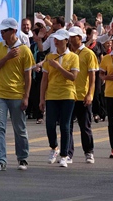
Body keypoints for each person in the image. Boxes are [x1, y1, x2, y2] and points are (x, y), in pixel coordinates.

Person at [0, 18, 34, 172]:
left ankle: (23, 158)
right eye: (1, 30)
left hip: (16, 94)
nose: (2, 33)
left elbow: (28, 76)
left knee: (19, 128)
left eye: (5, 30)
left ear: (14, 31)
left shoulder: (25, 50)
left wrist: (26, 96)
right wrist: (7, 57)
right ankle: (0, 160)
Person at [40, 29, 79, 168]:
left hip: (67, 94)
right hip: (52, 95)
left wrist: (58, 67)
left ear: (66, 41)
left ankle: (64, 155)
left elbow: (73, 77)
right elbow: (44, 79)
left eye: (59, 39)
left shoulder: (73, 57)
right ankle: (54, 147)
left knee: (65, 125)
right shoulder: (50, 57)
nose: (56, 41)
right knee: (50, 124)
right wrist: (42, 98)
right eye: (55, 39)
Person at [66, 26, 98, 164]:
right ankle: (68, 153)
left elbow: (92, 77)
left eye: (73, 36)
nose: (70, 39)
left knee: (85, 126)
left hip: (82, 95)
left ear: (80, 37)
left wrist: (90, 93)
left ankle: (88, 152)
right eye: (70, 36)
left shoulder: (88, 54)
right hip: (68, 95)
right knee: (67, 127)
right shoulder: (66, 53)